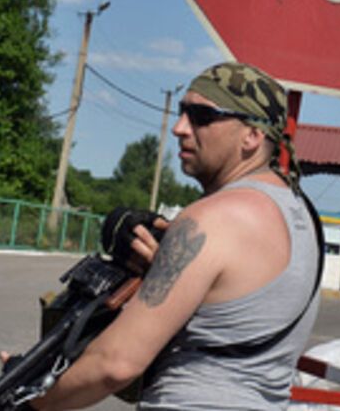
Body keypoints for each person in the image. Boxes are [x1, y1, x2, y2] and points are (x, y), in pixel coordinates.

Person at [23, 62, 321, 410]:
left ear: (252, 136)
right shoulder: (303, 216)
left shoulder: (212, 219)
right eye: (182, 112)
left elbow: (116, 363)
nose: (180, 128)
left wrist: (29, 401)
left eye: (202, 117)